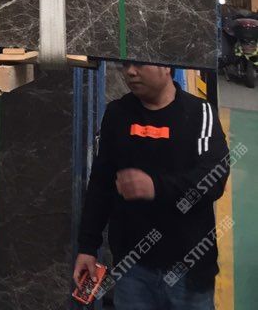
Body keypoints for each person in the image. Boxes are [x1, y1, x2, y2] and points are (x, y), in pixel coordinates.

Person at [74, 62, 229, 309]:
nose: (130, 72)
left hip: (188, 270)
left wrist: (155, 187)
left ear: (166, 66)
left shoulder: (200, 114)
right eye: (126, 64)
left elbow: (214, 179)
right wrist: (87, 247)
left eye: (139, 64)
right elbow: (101, 185)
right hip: (132, 270)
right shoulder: (117, 114)